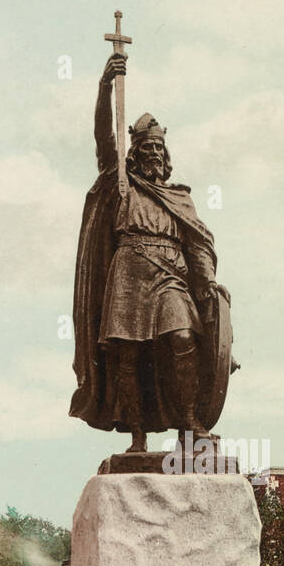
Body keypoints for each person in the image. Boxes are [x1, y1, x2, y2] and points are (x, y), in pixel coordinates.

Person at [69, 53, 230, 452]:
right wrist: (105, 87)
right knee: (128, 355)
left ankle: (191, 424)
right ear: (136, 152)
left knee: (182, 338)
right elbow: (104, 139)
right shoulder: (120, 183)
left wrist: (207, 281)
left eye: (160, 148)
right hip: (128, 273)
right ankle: (137, 436)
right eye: (147, 147)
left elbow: (198, 245)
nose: (155, 153)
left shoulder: (180, 199)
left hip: (170, 277)